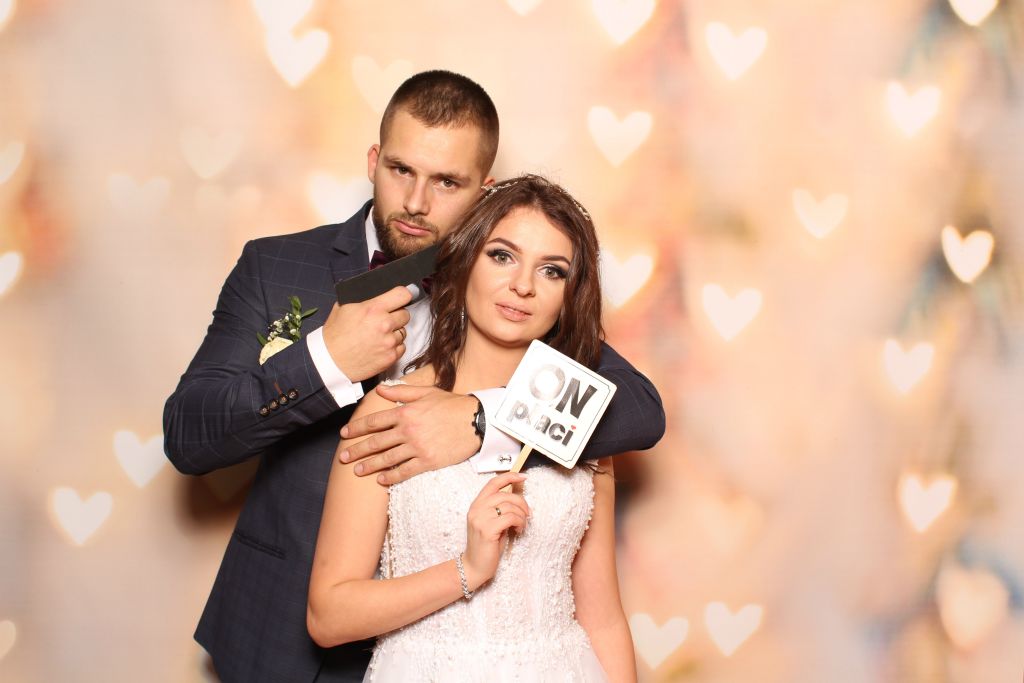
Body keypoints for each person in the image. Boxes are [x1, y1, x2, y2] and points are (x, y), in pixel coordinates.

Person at [164, 71, 663, 682]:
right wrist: (326, 362)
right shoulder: (276, 267)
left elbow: (639, 408)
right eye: (401, 170)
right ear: (373, 161)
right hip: (291, 629)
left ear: (484, 192)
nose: (417, 203)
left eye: (447, 181)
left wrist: (482, 421)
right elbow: (190, 437)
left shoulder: (509, 285)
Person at [308, 175, 636, 682]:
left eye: (552, 270)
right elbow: (329, 616)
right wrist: (467, 570)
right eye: (502, 256)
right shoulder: (390, 411)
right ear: (463, 262)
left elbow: (605, 620)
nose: (523, 286)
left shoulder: (578, 414)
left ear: (570, 296)